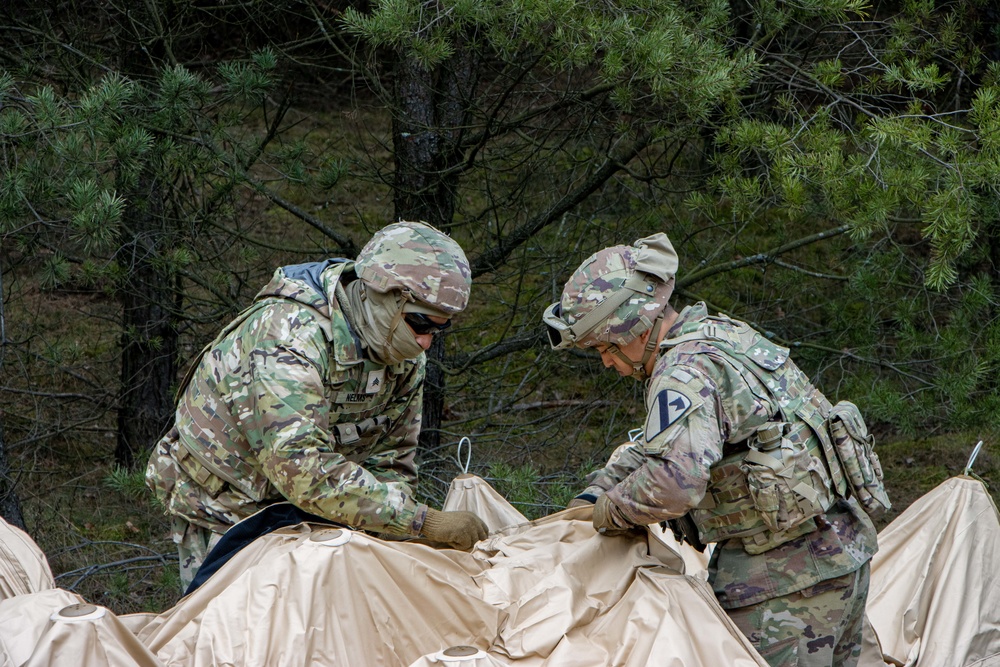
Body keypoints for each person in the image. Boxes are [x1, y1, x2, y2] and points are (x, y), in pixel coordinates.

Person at [543, 232, 880, 667]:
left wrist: (606, 512)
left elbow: (673, 483)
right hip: (843, 555)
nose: (607, 362)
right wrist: (600, 487)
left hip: (781, 586)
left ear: (633, 328)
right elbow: (663, 444)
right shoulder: (724, 337)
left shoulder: (682, 372)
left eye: (604, 348)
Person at [147, 221, 489, 589]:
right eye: (419, 323)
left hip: (319, 509)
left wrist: (390, 530)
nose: (425, 342)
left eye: (439, 330)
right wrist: (419, 521)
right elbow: (299, 464)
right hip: (228, 508)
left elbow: (392, 457)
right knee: (234, 636)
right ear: (385, 296)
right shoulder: (288, 336)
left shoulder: (402, 353)